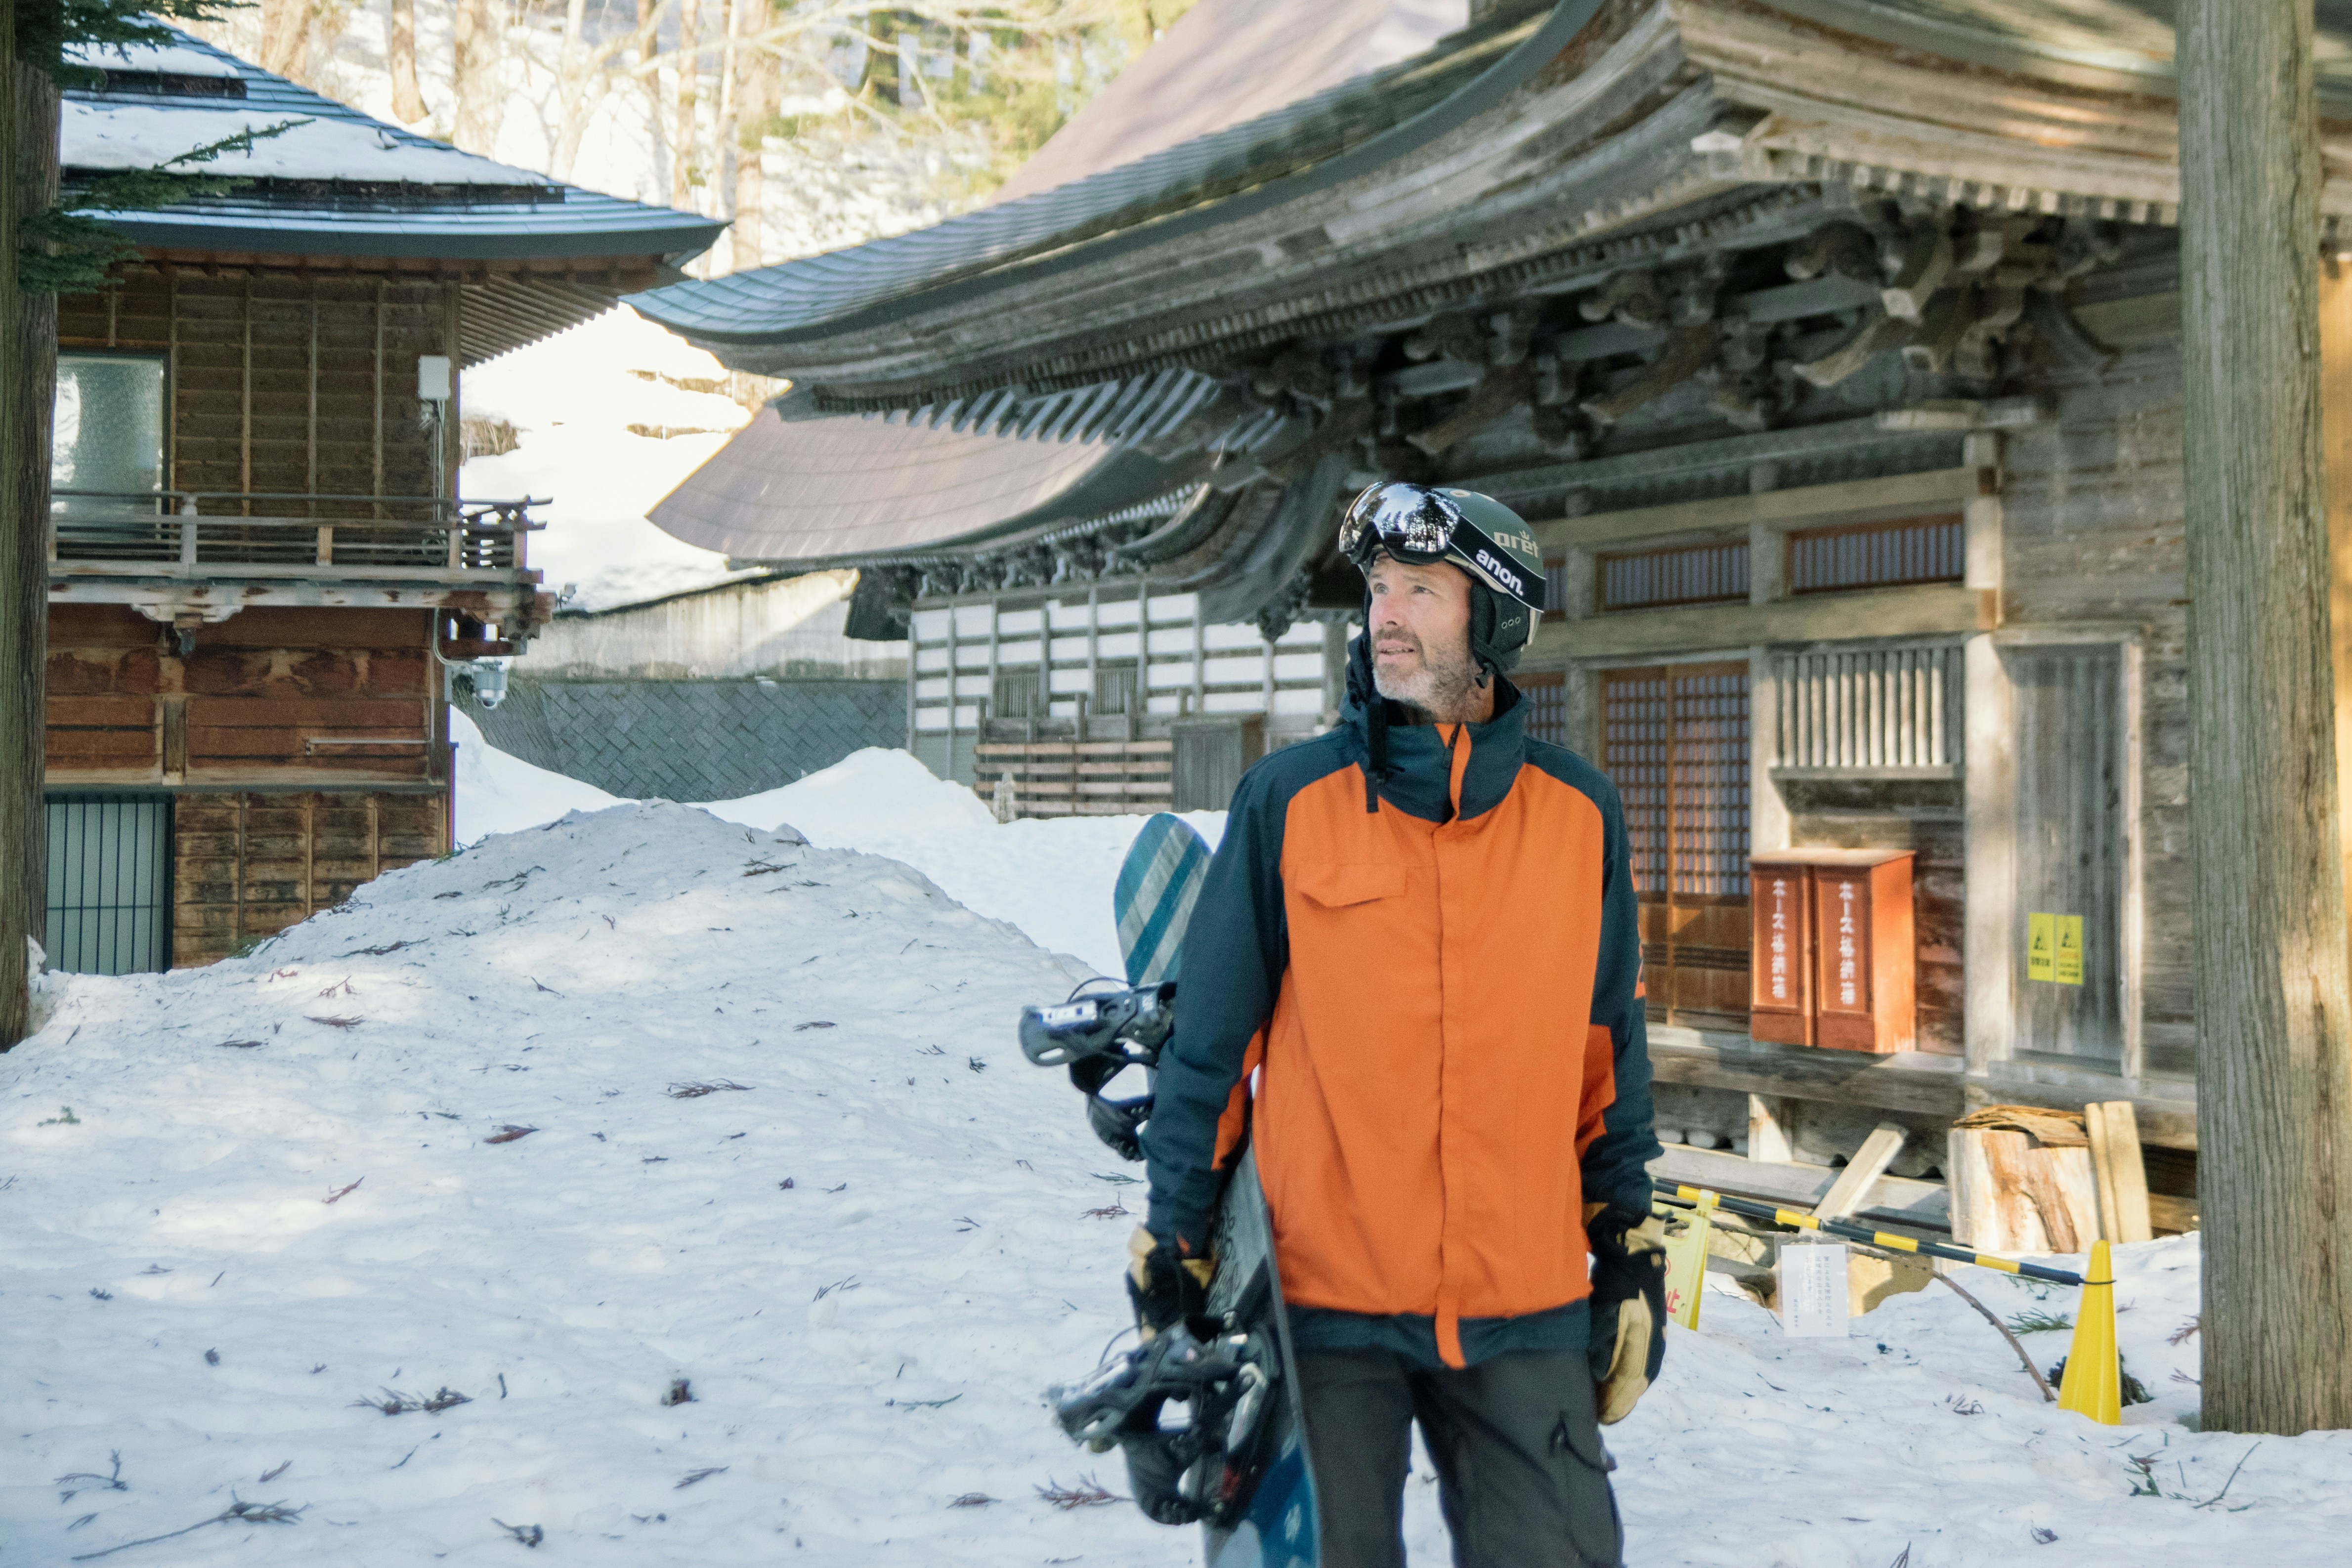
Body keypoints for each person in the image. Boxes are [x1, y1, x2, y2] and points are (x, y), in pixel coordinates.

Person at [1124, 482, 1667, 1568]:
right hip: (1326, 1304)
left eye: (1422, 589)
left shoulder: (1576, 815)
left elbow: (1605, 1052)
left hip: (1524, 1295)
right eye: (1378, 589)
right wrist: (1176, 1238)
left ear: (1498, 619)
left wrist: (1628, 1239)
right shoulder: (1290, 801)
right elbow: (1215, 1050)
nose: (1386, 615)